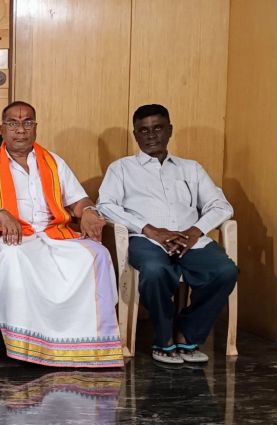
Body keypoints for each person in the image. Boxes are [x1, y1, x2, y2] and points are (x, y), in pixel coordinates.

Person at [0, 101, 123, 368]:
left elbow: (78, 200)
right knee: (12, 259)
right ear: (2, 129)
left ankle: (86, 344)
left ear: (35, 128)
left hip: (54, 233)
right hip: (14, 236)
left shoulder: (53, 161)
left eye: (27, 123)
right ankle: (28, 346)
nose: (20, 130)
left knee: (97, 255)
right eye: (13, 123)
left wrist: (89, 210)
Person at [97, 104, 237, 365]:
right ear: (136, 135)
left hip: (190, 240)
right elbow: (105, 205)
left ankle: (187, 332)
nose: (151, 135)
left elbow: (221, 206)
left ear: (170, 130)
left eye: (158, 128)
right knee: (154, 271)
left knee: (225, 271)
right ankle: (164, 338)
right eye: (144, 130)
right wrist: (152, 231)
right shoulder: (121, 169)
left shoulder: (191, 168)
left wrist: (194, 232)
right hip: (146, 240)